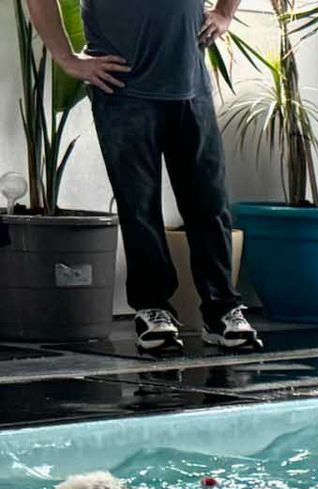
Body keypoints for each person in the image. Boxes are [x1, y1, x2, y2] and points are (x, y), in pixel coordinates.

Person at [23, 0, 262, 355]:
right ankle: (153, 309)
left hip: (189, 83)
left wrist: (225, 13)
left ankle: (222, 310)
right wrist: (66, 58)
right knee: (138, 207)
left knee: (208, 204)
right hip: (122, 91)